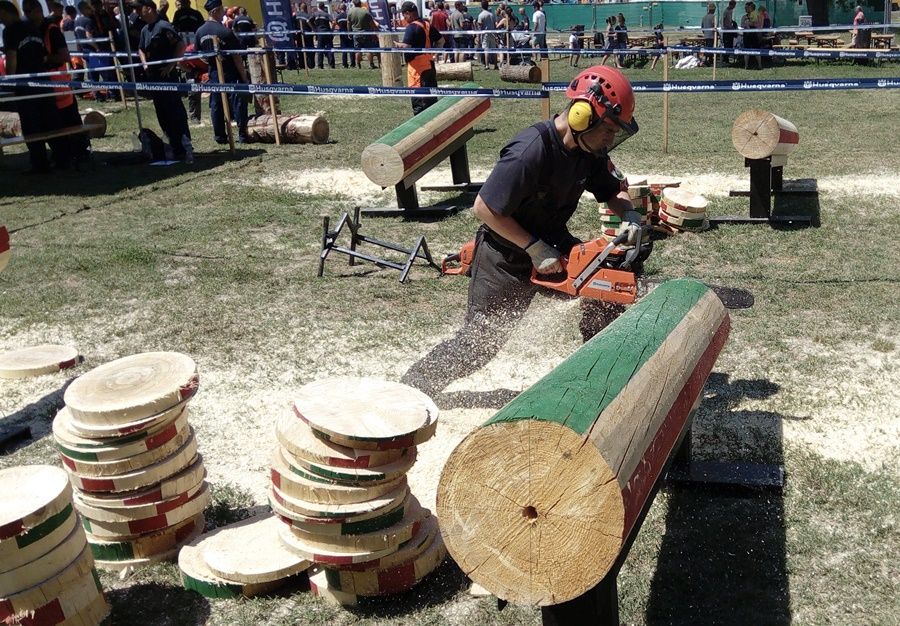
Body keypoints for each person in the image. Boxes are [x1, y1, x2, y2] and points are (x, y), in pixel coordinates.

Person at [400, 66, 642, 401]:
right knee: (479, 345)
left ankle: (599, 382)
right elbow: (485, 208)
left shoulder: (590, 152)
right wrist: (533, 248)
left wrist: (629, 214)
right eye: (609, 130)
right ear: (584, 114)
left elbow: (612, 190)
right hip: (505, 255)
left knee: (604, 295)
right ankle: (410, 391)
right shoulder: (530, 151)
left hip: (554, 243)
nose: (610, 139)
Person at [0, 0, 70, 173]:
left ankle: (39, 164)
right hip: (43, 81)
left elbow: (12, 58)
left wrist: (11, 80)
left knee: (31, 126)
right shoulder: (32, 28)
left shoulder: (10, 31)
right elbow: (43, 55)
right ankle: (62, 159)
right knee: (51, 121)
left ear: (4, 13)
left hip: (25, 84)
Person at [138, 0, 193, 161]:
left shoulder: (163, 26)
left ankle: (185, 146)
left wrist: (170, 66)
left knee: (175, 113)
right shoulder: (144, 30)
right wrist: (145, 65)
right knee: (162, 114)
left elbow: (181, 45)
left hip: (167, 78)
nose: (137, 12)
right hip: (154, 79)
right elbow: (141, 48)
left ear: (149, 8)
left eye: (139, 8)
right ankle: (173, 146)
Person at [39, 0, 91, 162]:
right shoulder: (63, 23)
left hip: (60, 80)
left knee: (70, 119)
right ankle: (66, 151)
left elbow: (68, 46)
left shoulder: (59, 26)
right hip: (56, 82)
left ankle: (79, 149)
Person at [195, 0, 248, 144]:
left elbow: (198, 54)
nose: (223, 12)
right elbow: (237, 57)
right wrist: (244, 77)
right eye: (221, 10)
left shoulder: (200, 31)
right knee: (237, 102)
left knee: (216, 104)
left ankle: (220, 136)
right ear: (214, 11)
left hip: (213, 72)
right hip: (230, 71)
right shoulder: (224, 32)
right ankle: (243, 135)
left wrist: (209, 63)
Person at [396, 1, 443, 115]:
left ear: (408, 13)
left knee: (419, 101)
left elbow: (407, 46)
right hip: (430, 65)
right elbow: (441, 40)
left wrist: (397, 45)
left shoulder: (411, 27)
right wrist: (434, 53)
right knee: (431, 97)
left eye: (404, 15)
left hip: (417, 69)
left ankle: (421, 129)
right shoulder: (427, 24)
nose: (404, 18)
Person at [348, 0, 378, 69]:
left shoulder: (350, 12)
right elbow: (372, 23)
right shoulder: (365, 12)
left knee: (357, 50)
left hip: (356, 33)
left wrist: (349, 32)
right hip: (366, 33)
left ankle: (358, 65)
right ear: (360, 4)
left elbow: (348, 23)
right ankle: (371, 64)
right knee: (368, 49)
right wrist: (376, 31)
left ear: (354, 4)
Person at [475, 0, 497, 70]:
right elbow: (494, 25)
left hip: (485, 34)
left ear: (481, 6)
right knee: (494, 49)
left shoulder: (481, 15)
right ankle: (495, 64)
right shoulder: (491, 14)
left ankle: (487, 65)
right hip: (492, 33)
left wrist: (478, 36)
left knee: (486, 49)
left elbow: (480, 27)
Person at [740, 1, 761, 69]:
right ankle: (746, 65)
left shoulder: (756, 15)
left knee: (757, 50)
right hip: (746, 35)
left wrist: (751, 23)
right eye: (745, 8)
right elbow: (742, 25)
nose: (745, 9)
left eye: (747, 7)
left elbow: (758, 24)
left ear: (751, 8)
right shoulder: (744, 17)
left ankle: (759, 65)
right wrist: (747, 23)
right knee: (746, 50)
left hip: (754, 34)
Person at [334, 2, 354, 67]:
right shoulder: (348, 15)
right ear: (345, 8)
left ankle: (345, 64)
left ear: (340, 8)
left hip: (342, 34)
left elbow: (335, 23)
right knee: (351, 49)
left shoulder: (338, 17)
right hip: (349, 33)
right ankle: (352, 64)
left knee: (344, 49)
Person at [721, 0, 736, 65]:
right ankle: (725, 59)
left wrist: (732, 22)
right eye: (734, 5)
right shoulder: (726, 11)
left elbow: (729, 19)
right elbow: (723, 20)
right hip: (726, 31)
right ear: (731, 5)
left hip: (730, 30)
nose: (734, 7)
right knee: (727, 45)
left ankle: (727, 59)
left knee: (730, 45)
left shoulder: (731, 11)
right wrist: (726, 26)